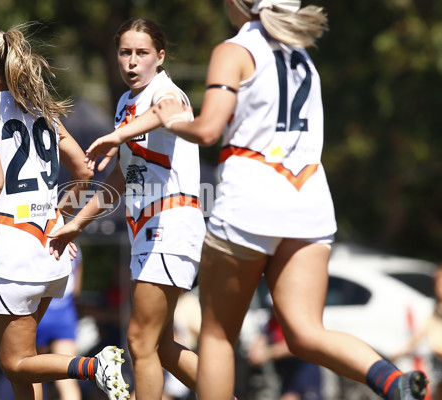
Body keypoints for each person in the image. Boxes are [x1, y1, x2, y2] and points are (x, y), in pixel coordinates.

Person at [151, 1, 429, 400]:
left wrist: (171, 119)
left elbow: (209, 130)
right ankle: (392, 381)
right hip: (309, 200)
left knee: (216, 336)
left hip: (251, 199)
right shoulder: (301, 56)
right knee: (306, 333)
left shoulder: (234, 50)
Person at [0, 23, 129, 400]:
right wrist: (64, 221)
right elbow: (84, 170)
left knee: (13, 364)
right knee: (25, 361)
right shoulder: (45, 114)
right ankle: (89, 367)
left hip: (15, 252)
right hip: (51, 249)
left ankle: (91, 366)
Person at [49, 18, 212, 400]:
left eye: (142, 53)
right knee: (164, 348)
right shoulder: (126, 102)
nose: (132, 62)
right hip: (145, 230)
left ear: (160, 56)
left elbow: (171, 111)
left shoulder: (165, 91)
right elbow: (123, 175)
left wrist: (117, 135)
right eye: (125, 53)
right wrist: (77, 223)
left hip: (170, 224)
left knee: (140, 340)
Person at [35, 242, 84, 400]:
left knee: (33, 376)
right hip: (64, 315)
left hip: (39, 313)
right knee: (67, 380)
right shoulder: (75, 248)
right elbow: (76, 290)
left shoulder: (38, 242)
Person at [248, 304, 323, 400]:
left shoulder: (297, 322)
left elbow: (299, 345)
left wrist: (268, 353)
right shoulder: (271, 324)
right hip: (288, 374)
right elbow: (257, 350)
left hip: (304, 370)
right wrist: (258, 352)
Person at [391, 263, 442, 400]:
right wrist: (401, 352)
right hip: (438, 364)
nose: (438, 287)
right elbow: (420, 334)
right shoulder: (436, 309)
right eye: (437, 283)